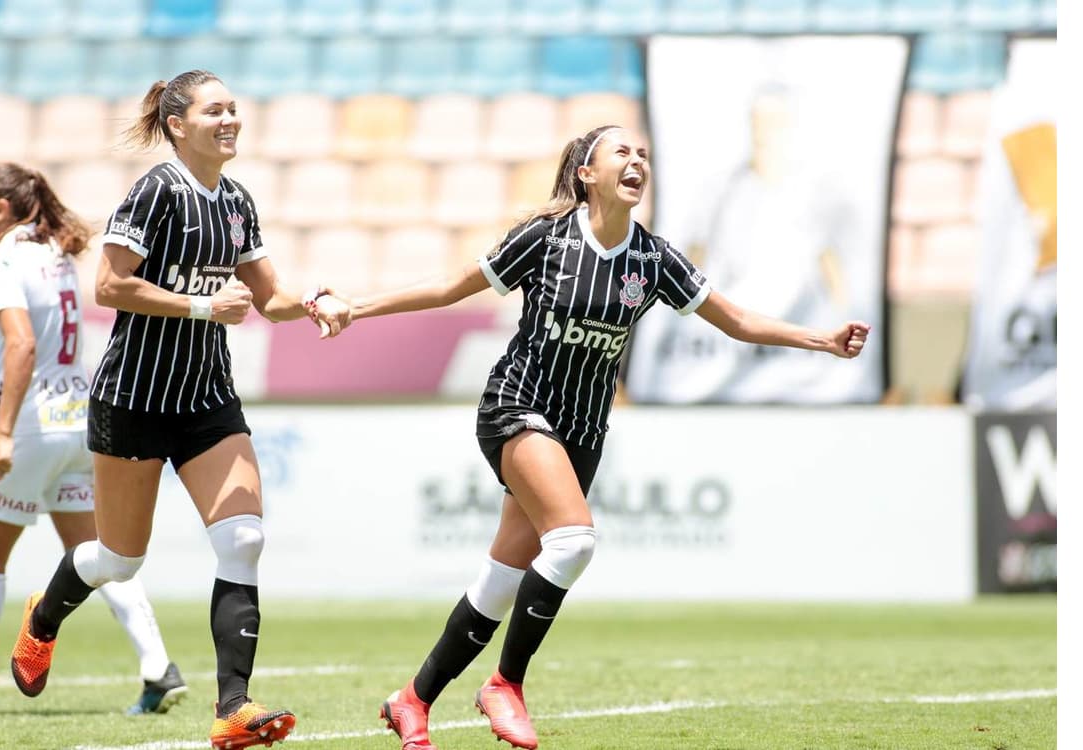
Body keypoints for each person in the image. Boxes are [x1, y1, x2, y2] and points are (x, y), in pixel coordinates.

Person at [338, 125, 869, 750]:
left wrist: (822, 340)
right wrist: (357, 307)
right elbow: (452, 288)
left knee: (502, 577)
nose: (636, 160)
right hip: (518, 405)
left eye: (642, 153)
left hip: (583, 433)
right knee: (573, 541)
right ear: (587, 173)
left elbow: (739, 320)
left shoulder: (653, 259)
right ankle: (504, 684)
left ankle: (412, 700)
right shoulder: (545, 238)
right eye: (622, 152)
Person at [7, 70, 349, 750]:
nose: (230, 119)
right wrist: (200, 305)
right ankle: (43, 619)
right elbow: (108, 285)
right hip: (134, 398)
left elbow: (266, 296)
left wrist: (313, 301)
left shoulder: (238, 202)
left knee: (244, 538)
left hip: (207, 399)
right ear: (178, 124)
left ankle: (234, 709)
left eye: (234, 109)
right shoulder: (157, 191)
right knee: (117, 560)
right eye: (215, 109)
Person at [0, 162, 187, 717]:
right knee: (96, 555)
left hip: (31, 429)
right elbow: (23, 336)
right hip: (77, 425)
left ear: (1, 209)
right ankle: (159, 669)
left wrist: (2, 436)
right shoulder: (56, 256)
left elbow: (19, 347)